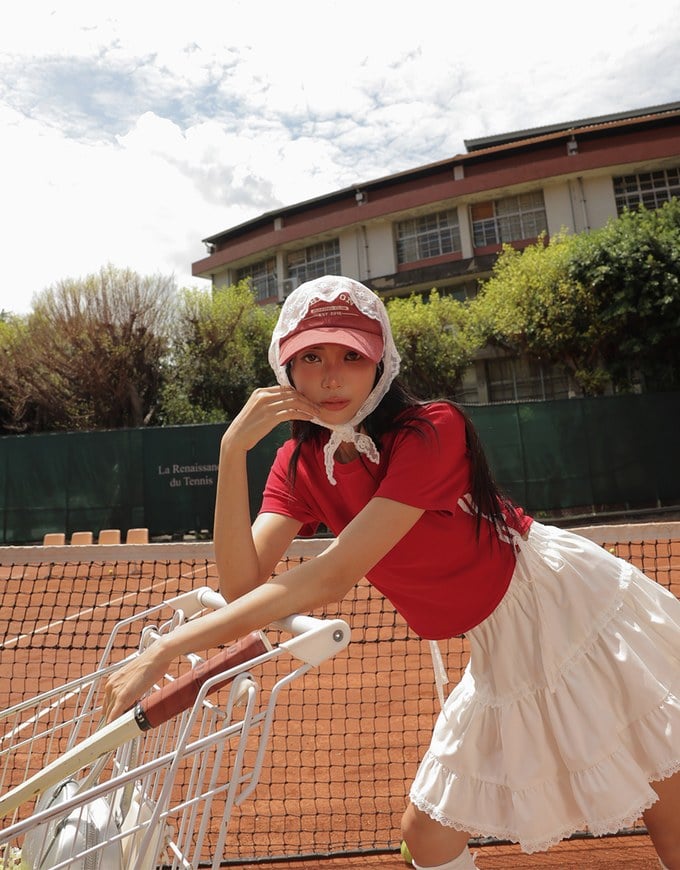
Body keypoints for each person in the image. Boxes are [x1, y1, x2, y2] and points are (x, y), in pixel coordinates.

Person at [104, 275, 680, 870]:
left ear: (380, 363)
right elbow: (241, 591)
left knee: (668, 799)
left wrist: (169, 647)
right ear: (285, 369)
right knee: (428, 840)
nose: (332, 377)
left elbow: (331, 575)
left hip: (564, 606)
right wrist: (230, 454)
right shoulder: (299, 463)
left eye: (352, 356)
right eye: (312, 357)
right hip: (497, 644)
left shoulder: (432, 429)